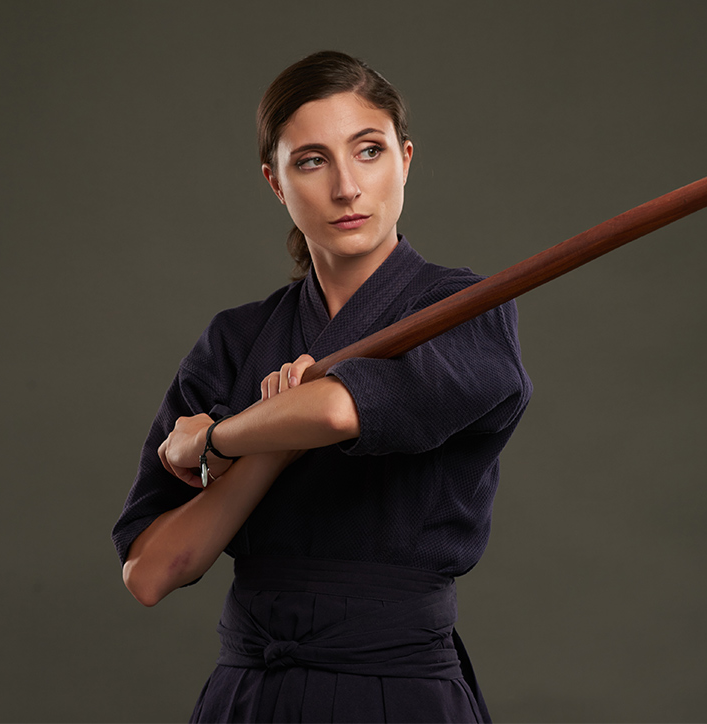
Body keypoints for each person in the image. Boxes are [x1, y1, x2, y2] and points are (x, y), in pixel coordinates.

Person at [112, 50, 532, 723]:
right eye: (311, 161)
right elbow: (153, 572)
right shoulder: (236, 339)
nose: (346, 187)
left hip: (398, 692)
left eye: (368, 151)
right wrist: (271, 444)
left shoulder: (465, 308)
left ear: (406, 159)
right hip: (251, 693)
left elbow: (341, 411)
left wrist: (216, 436)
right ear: (276, 184)